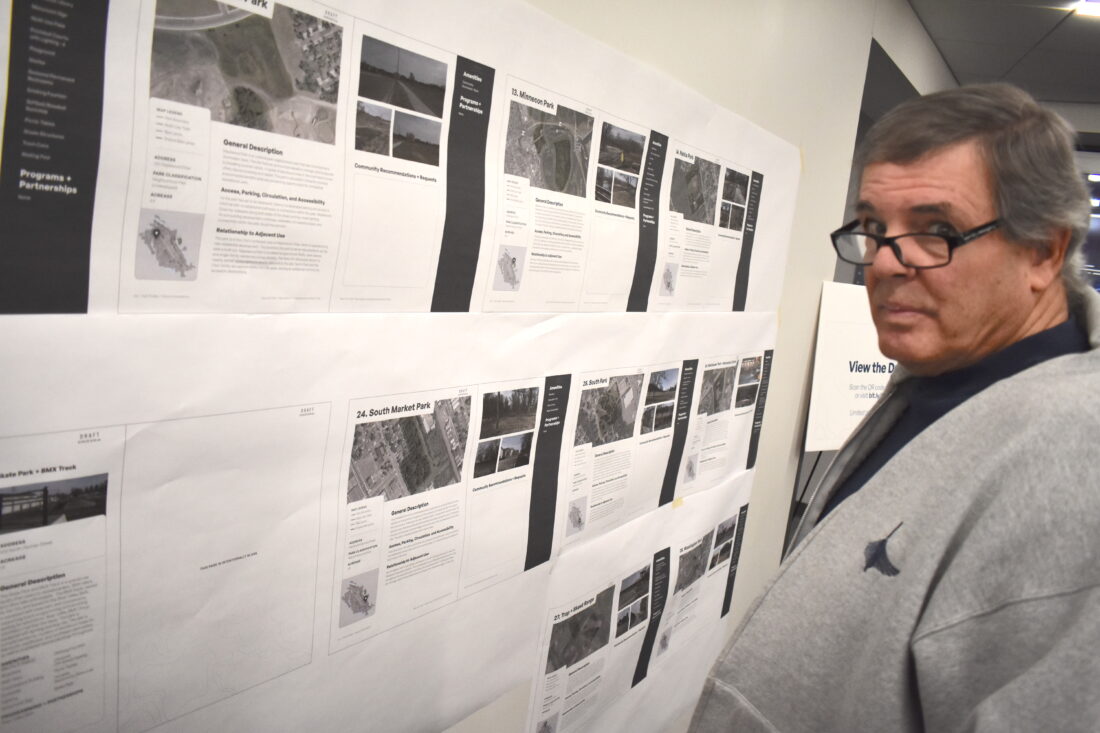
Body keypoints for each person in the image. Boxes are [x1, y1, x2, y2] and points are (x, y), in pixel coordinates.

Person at [690, 83, 1100, 732]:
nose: (884, 262)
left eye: (937, 231)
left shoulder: (1075, 465)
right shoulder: (944, 378)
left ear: (1044, 251)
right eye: (875, 229)